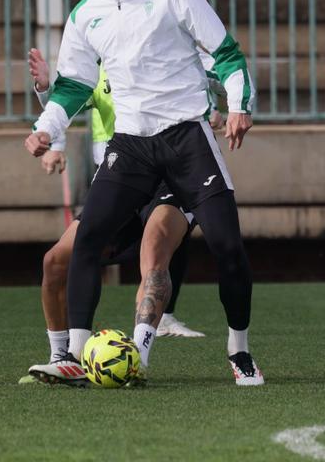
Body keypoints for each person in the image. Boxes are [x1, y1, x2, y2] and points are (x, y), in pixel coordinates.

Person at [23, 0, 262, 387]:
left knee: (227, 247)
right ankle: (73, 354)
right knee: (88, 237)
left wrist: (239, 107)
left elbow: (228, 55)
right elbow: (73, 84)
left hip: (187, 138)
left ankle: (239, 350)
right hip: (130, 145)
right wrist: (45, 129)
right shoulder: (86, 13)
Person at [19, 49, 208, 385]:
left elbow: (213, 79)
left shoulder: (170, 46)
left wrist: (227, 108)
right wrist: (47, 90)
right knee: (55, 261)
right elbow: (71, 100)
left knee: (156, 250)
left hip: (169, 172)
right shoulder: (98, 60)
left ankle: (138, 359)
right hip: (117, 175)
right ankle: (64, 359)